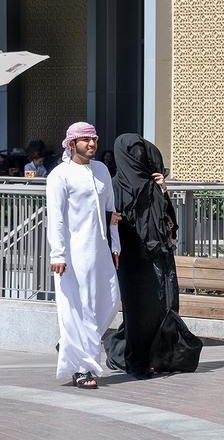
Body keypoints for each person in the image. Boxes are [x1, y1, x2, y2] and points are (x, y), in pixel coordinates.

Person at [104, 134, 202, 379]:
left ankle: (158, 357)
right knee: (138, 313)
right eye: (132, 151)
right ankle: (134, 360)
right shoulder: (114, 186)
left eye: (141, 149)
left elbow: (168, 222)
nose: (138, 155)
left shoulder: (152, 186)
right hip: (131, 261)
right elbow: (106, 221)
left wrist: (163, 191)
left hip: (159, 260)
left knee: (161, 309)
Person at [46, 122, 121, 389]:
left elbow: (111, 213)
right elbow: (55, 219)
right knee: (81, 309)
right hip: (72, 254)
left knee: (112, 300)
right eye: (86, 140)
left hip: (100, 249)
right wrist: (58, 254)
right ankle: (82, 368)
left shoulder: (101, 170)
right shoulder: (59, 175)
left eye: (95, 140)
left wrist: (116, 247)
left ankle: (72, 344)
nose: (92, 144)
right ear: (72, 143)